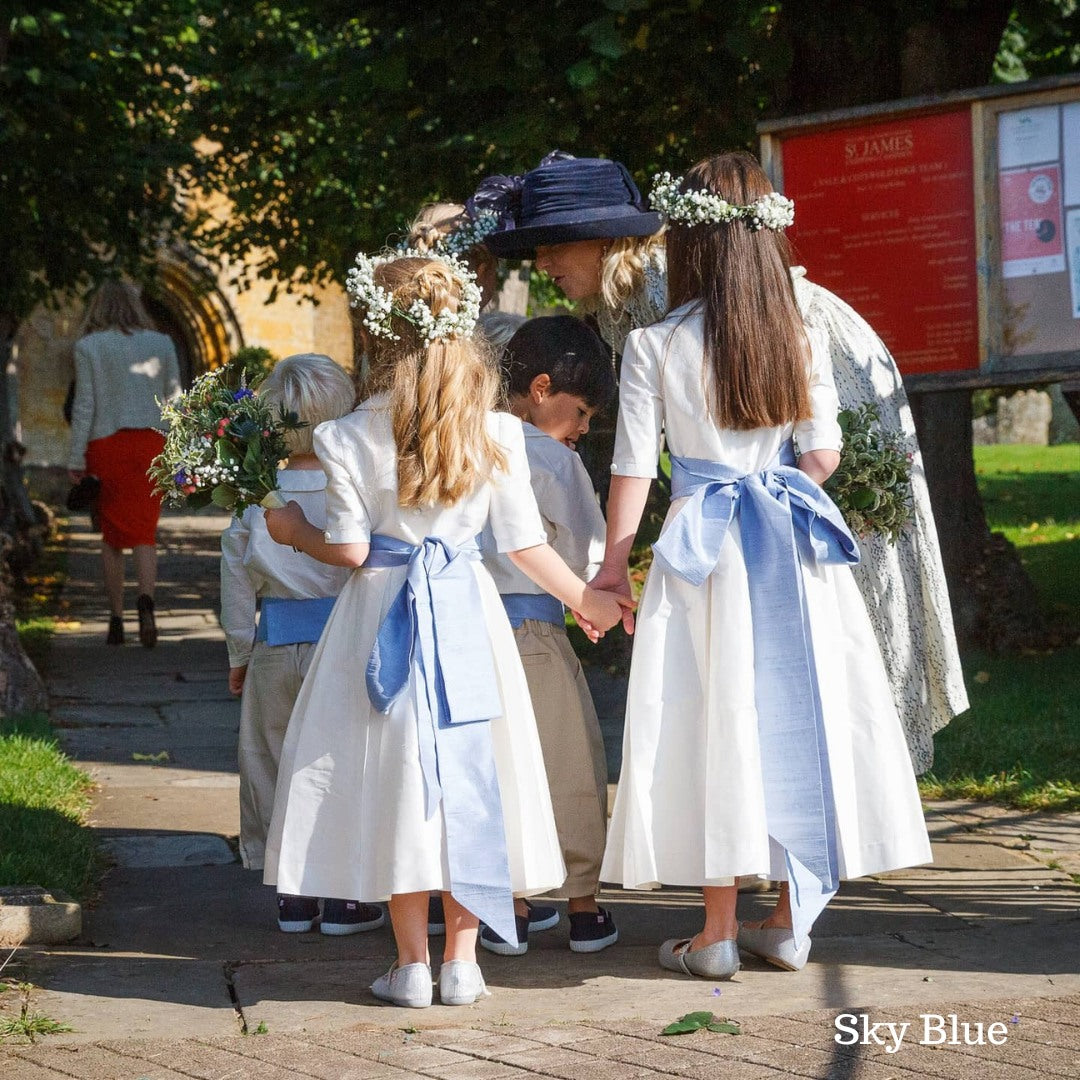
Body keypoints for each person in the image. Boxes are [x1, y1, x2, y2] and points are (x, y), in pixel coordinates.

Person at [479, 151, 967, 774]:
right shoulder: (632, 298)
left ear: (605, 241)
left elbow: (690, 438)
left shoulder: (668, 297)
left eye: (554, 245)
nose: (542, 264)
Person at [594, 152, 932, 978]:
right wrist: (770, 484)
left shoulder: (656, 343)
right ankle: (787, 920)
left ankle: (714, 933)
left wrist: (611, 569)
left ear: (692, 245)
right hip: (789, 547)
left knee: (713, 720)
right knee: (799, 707)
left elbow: (634, 470)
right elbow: (823, 452)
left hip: (700, 553)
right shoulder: (798, 331)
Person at [261, 253, 628, 1008]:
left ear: (379, 335)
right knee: (472, 774)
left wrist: (295, 534)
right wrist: (588, 602)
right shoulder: (494, 430)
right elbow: (526, 548)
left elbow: (355, 550)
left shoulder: (344, 435)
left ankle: (410, 965)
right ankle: (465, 961)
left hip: (380, 618)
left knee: (396, 783)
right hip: (467, 615)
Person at [219, 352, 383, 937]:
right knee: (340, 761)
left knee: (273, 761)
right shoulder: (353, 488)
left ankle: (291, 891)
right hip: (343, 641)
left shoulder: (258, 495)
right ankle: (345, 895)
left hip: (276, 643)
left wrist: (241, 651)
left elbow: (236, 579)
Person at [479, 316, 619, 957]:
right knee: (568, 762)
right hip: (536, 627)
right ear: (542, 389)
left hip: (473, 628)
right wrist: (597, 598)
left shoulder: (468, 442)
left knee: (497, 768)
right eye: (582, 411)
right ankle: (584, 905)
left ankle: (506, 903)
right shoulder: (551, 461)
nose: (585, 428)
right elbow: (588, 546)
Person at [67, 281, 182, 647]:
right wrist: (178, 450)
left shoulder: (88, 347)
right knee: (145, 534)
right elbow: (175, 400)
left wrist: (75, 457)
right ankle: (146, 603)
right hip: (151, 444)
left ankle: (116, 620)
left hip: (106, 446)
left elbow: (84, 404)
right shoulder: (162, 344)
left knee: (113, 537)